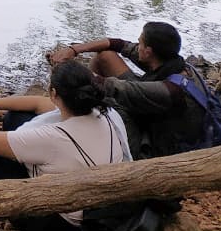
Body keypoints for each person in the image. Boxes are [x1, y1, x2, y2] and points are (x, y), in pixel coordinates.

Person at [0, 60, 131, 231]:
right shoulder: (106, 111)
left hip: (61, 226)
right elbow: (37, 104)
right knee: (15, 116)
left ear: (54, 93)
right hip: (101, 209)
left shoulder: (54, 138)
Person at [47, 21, 208, 158]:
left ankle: (99, 139)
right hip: (157, 114)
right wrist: (74, 50)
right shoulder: (169, 61)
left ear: (148, 51)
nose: (137, 46)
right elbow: (117, 44)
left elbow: (112, 87)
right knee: (105, 56)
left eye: (140, 43)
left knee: (108, 102)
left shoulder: (170, 90)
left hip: (161, 146)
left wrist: (67, 70)